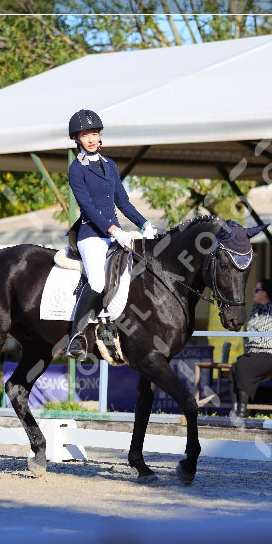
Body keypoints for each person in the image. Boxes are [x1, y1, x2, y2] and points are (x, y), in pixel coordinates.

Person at [65, 109, 157, 359]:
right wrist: (114, 229)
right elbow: (88, 207)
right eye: (86, 135)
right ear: (77, 139)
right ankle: (77, 334)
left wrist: (143, 224)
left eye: (94, 133)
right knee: (97, 282)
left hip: (114, 234)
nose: (91, 139)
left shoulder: (110, 165)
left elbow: (122, 202)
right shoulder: (77, 169)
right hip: (92, 235)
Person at [227, 280, 272, 419]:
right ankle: (235, 408)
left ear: (266, 293)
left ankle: (242, 409)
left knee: (244, 367)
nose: (254, 293)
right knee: (234, 368)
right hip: (254, 353)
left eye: (257, 290)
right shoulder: (255, 309)